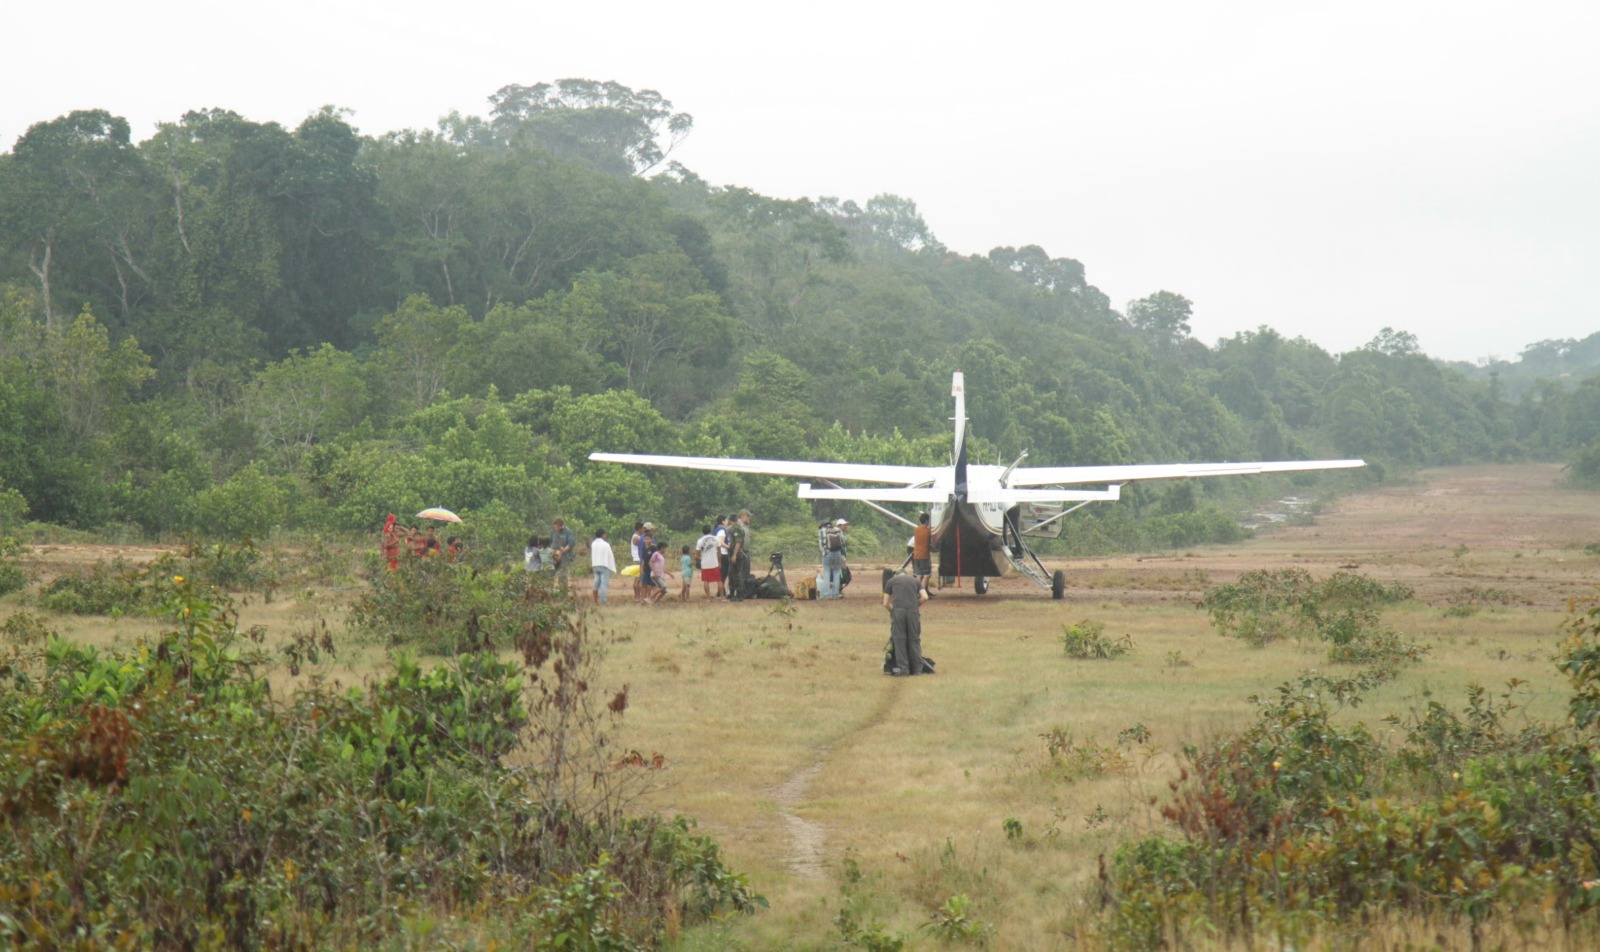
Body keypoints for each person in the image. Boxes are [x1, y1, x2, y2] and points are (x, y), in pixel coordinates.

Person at [882, 571, 930, 676]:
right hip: (913, 611)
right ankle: (918, 669)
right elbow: (925, 597)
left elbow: (885, 603)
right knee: (914, 639)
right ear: (906, 574)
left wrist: (893, 612)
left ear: (896, 575)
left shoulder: (891, 581)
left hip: (898, 611)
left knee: (899, 640)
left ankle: (903, 669)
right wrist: (915, 605)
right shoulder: (916, 581)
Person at [727, 510, 752, 601]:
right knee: (735, 573)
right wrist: (734, 554)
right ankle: (734, 592)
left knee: (741, 573)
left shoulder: (744, 527)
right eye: (748, 517)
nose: (749, 519)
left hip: (742, 552)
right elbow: (737, 542)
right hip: (738, 552)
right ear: (743, 516)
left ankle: (740, 593)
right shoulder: (736, 527)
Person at [820, 518, 846, 599]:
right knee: (836, 572)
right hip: (838, 553)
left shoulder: (822, 531)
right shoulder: (837, 530)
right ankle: (835, 594)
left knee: (827, 572)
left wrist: (825, 552)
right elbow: (843, 542)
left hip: (828, 553)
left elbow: (821, 544)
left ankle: (826, 595)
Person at [590, 528, 617, 604]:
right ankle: (603, 602)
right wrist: (612, 566)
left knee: (596, 582)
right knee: (604, 584)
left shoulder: (593, 544)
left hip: (595, 565)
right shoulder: (606, 544)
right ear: (603, 535)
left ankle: (595, 600)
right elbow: (610, 555)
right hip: (604, 565)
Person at [695, 524, 722, 598]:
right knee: (719, 580)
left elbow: (697, 555)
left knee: (706, 581)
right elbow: (719, 552)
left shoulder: (700, 541)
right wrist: (719, 562)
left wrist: (699, 559)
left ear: (703, 532)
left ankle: (708, 598)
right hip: (715, 563)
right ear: (711, 531)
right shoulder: (716, 539)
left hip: (705, 564)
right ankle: (722, 597)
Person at [912, 511, 934, 596]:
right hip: (924, 556)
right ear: (927, 521)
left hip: (916, 555)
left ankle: (916, 592)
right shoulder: (928, 531)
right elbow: (930, 543)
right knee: (926, 575)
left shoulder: (916, 530)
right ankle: (923, 592)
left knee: (918, 575)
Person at [550, 517, 576, 587]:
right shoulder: (553, 532)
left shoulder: (568, 532)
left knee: (563, 575)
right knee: (550, 573)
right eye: (555, 527)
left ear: (562, 526)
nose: (557, 529)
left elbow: (571, 543)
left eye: (558, 527)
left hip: (565, 557)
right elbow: (550, 543)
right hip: (554, 556)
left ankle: (563, 592)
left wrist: (561, 552)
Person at [636, 522, 658, 601]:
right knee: (651, 583)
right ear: (650, 530)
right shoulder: (651, 539)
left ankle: (643, 599)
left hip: (642, 562)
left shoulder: (640, 539)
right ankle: (650, 598)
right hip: (649, 564)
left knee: (643, 582)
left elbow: (640, 552)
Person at [714, 515, 731, 598]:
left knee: (722, 574)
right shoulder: (722, 530)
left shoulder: (716, 530)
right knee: (723, 574)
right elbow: (721, 542)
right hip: (723, 554)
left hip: (718, 554)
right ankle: (721, 592)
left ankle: (721, 591)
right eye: (726, 520)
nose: (727, 522)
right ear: (723, 521)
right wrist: (729, 547)